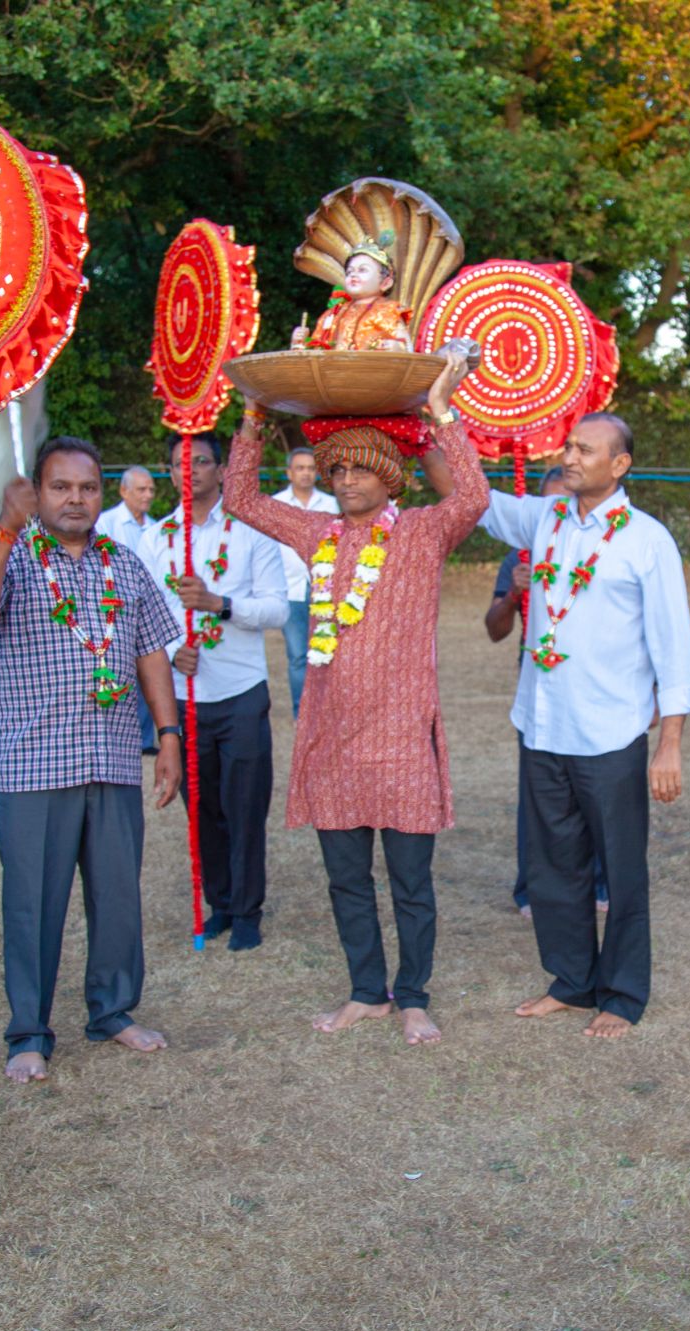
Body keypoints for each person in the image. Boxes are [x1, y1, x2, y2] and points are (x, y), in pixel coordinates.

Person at [223, 350, 487, 1045]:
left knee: (410, 883)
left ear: (389, 475)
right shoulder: (318, 534)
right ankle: (367, 991)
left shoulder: (425, 533)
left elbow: (474, 499)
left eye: (358, 468)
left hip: (402, 736)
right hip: (335, 735)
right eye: (335, 470)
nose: (344, 480)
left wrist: (441, 413)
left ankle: (414, 995)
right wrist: (253, 418)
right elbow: (241, 501)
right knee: (345, 879)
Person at [0, 438, 184, 1084]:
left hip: (111, 760)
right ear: (38, 490)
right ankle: (28, 1031)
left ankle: (112, 1009)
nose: (75, 499)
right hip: (35, 768)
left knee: (117, 897)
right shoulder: (11, 555)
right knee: (32, 903)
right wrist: (5, 526)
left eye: (86, 487)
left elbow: (150, 652)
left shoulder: (123, 563)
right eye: (60, 487)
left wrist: (167, 735)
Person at [481, 413, 690, 1040]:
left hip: (610, 735)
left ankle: (624, 995)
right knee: (553, 866)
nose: (569, 456)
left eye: (585, 449)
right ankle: (572, 982)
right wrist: (438, 413)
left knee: (621, 868)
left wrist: (671, 745)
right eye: (569, 446)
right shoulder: (543, 518)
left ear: (620, 464)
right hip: (542, 727)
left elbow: (674, 646)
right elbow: (467, 495)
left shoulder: (646, 539)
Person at [142, 432, 288, 950]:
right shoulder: (156, 538)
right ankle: (221, 903)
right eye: (180, 464)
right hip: (184, 697)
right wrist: (173, 646)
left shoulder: (252, 533)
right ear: (170, 473)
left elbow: (277, 608)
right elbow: (147, 616)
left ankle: (248, 911)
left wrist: (219, 603)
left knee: (244, 806)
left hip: (241, 692)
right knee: (202, 808)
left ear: (221, 469)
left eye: (201, 461)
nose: (191, 471)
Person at [485, 466, 608, 919]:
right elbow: (495, 631)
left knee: (592, 786)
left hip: (592, 679)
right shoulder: (520, 554)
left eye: (570, 500)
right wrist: (514, 596)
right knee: (539, 791)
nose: (563, 511)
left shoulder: (605, 545)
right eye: (552, 503)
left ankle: (597, 884)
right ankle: (531, 888)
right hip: (538, 676)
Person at [95, 465, 163, 754]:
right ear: (123, 491)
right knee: (117, 674)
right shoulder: (104, 524)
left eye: (151, 489)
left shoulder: (158, 528)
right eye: (141, 489)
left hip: (146, 611)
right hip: (111, 613)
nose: (147, 495)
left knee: (149, 672)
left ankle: (145, 739)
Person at [271, 445, 338, 718]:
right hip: (291, 588)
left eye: (311, 468)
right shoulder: (277, 505)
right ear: (289, 472)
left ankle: (326, 710)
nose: (305, 474)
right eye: (300, 468)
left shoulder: (332, 505)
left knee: (326, 652)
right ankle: (303, 712)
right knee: (298, 655)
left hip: (326, 589)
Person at [290, 237, 414, 352]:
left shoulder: (389, 311)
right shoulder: (332, 314)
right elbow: (316, 353)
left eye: (362, 270)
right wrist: (299, 342)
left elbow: (407, 349)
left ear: (385, 283)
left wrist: (396, 347)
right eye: (349, 272)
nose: (354, 275)